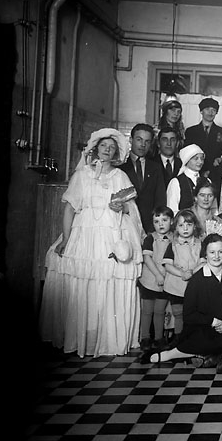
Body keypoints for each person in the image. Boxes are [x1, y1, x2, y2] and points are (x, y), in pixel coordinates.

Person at [39, 128, 144, 357]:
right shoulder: (82, 175)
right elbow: (69, 209)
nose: (107, 150)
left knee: (108, 280)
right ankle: (81, 337)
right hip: (84, 233)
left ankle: (106, 339)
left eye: (112, 147)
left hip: (111, 231)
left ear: (116, 153)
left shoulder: (120, 176)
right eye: (104, 145)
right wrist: (66, 239)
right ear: (96, 148)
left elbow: (132, 211)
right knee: (83, 280)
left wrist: (121, 207)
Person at [141, 233, 222, 366]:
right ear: (205, 254)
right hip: (207, 329)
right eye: (212, 252)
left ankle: (205, 355)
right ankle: (179, 354)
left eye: (220, 252)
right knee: (202, 339)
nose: (216, 256)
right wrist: (214, 322)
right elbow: (189, 315)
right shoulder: (197, 280)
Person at [161, 209, 205, 339]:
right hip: (176, 285)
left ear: (195, 226)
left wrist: (191, 272)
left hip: (193, 285)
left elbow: (203, 263)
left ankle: (191, 338)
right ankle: (178, 338)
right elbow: (168, 265)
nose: (185, 228)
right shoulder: (172, 245)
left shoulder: (199, 244)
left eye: (189, 225)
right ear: (176, 227)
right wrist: (181, 273)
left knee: (192, 312)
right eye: (181, 225)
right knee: (178, 312)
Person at [138, 205, 174, 350]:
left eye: (165, 220)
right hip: (149, 280)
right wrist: (158, 275)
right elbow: (147, 258)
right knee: (147, 311)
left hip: (165, 281)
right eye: (156, 221)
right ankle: (145, 338)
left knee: (160, 311)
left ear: (172, 221)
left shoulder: (174, 239)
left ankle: (159, 338)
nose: (161, 224)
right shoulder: (150, 238)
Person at [123, 123, 167, 234]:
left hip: (150, 227)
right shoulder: (121, 167)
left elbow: (160, 199)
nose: (143, 145)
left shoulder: (156, 167)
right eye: (139, 140)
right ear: (131, 140)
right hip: (126, 224)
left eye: (147, 141)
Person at [185, 97, 222, 176]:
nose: (210, 113)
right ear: (201, 111)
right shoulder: (191, 131)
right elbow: (187, 154)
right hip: (195, 171)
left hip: (215, 172)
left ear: (216, 113)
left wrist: (220, 159)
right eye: (207, 109)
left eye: (213, 110)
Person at [166, 143, 205, 213]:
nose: (200, 162)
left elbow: (214, 209)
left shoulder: (207, 181)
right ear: (187, 160)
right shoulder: (176, 182)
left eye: (202, 158)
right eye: (196, 158)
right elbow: (172, 210)